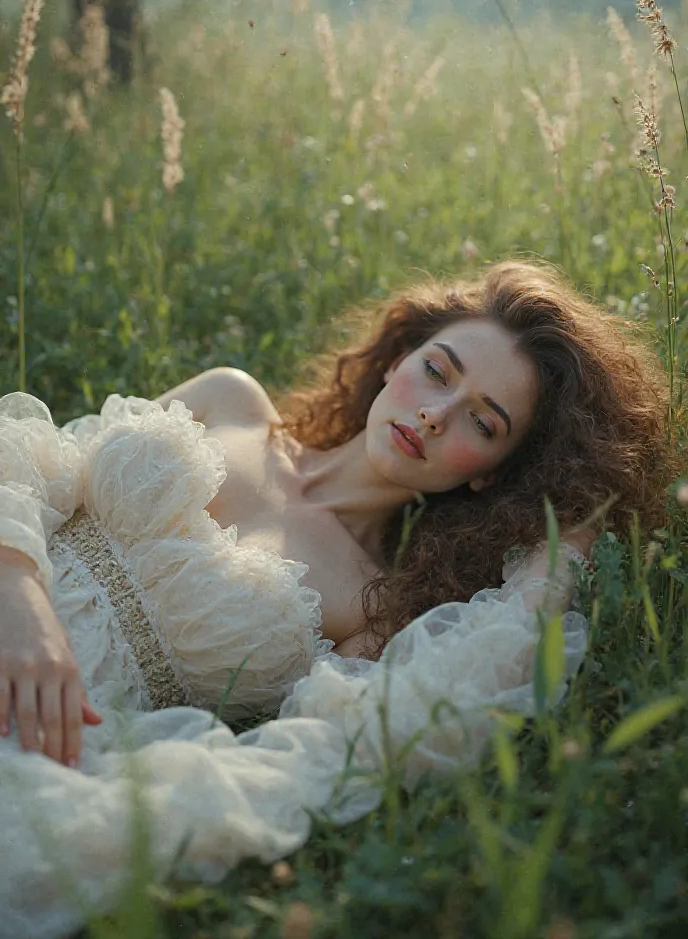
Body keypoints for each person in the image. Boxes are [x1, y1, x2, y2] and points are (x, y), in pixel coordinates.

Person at [0, 260, 676, 938]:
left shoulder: (374, 607)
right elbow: (32, 467)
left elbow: (374, 732)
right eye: (438, 371)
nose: (435, 416)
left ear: (493, 475)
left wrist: (571, 531)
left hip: (39, 733)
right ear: (395, 359)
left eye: (484, 423)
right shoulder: (230, 399)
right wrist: (20, 599)